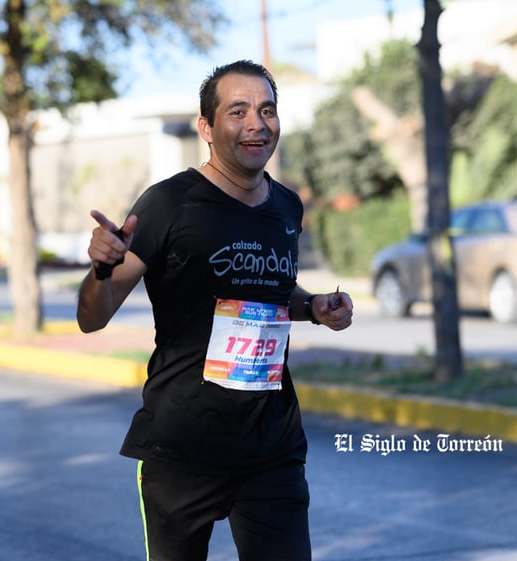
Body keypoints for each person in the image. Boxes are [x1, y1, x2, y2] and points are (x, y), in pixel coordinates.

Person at [76, 59, 353, 561]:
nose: (257, 123)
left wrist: (313, 306)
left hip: (272, 448)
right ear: (206, 127)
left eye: (267, 110)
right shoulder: (168, 204)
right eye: (238, 110)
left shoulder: (286, 207)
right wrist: (101, 267)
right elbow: (92, 317)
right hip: (183, 447)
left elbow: (266, 292)